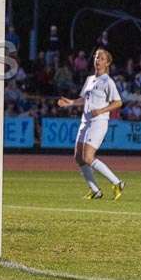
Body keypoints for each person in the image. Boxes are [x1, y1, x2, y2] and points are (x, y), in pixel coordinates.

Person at [57, 48, 125, 200]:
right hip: (85, 121)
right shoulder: (90, 79)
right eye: (96, 57)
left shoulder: (108, 81)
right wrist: (71, 103)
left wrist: (101, 110)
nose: (97, 60)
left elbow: (118, 102)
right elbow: (84, 99)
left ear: (107, 63)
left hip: (98, 122)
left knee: (87, 157)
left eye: (101, 58)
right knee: (78, 157)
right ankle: (95, 190)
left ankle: (117, 182)